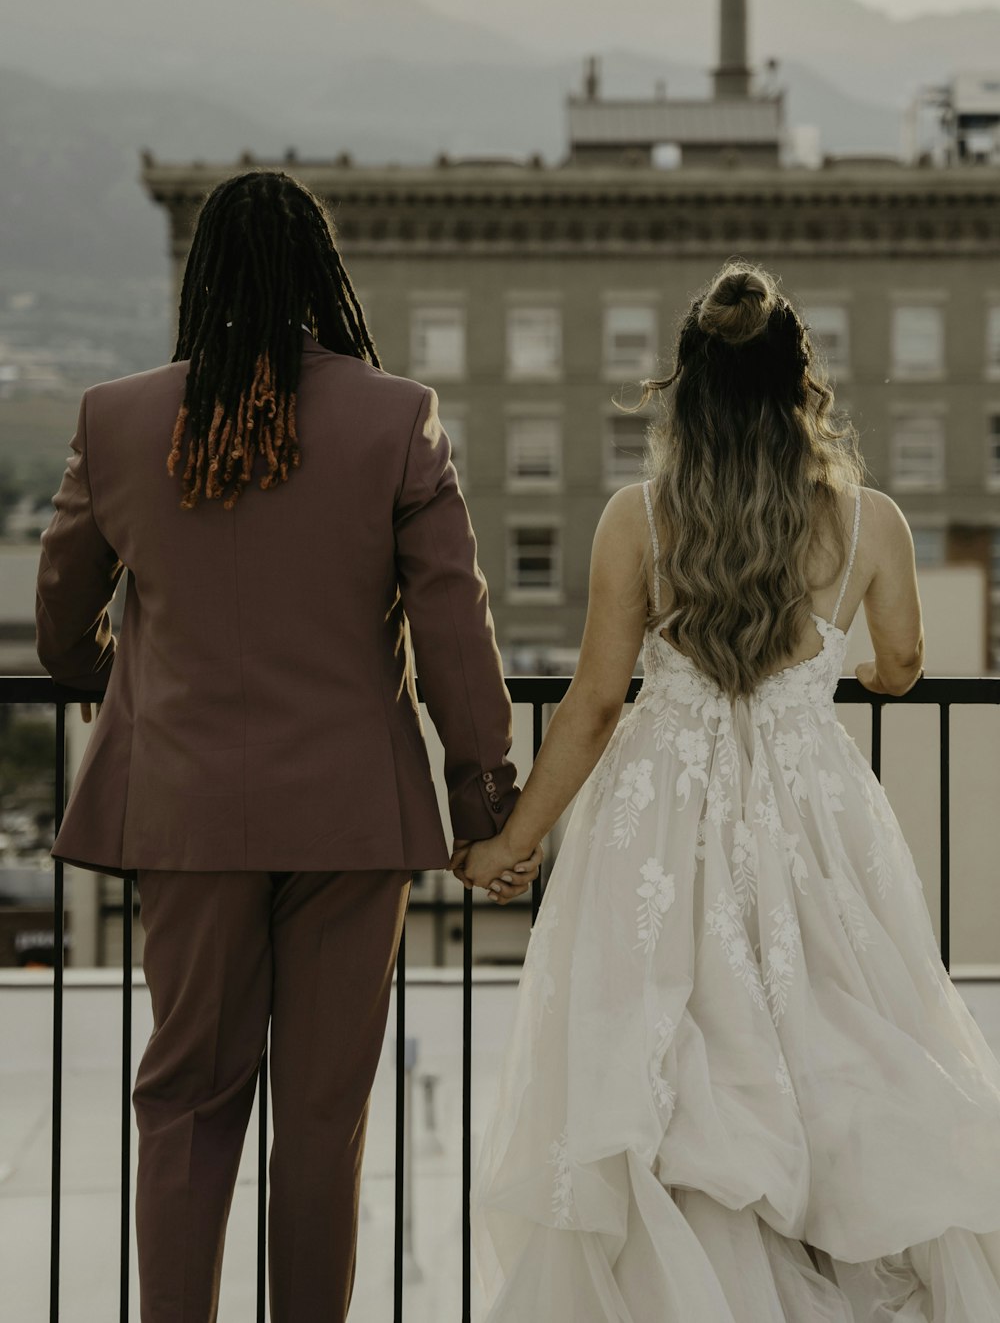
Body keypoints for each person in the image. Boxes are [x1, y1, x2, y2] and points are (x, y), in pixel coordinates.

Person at [34, 169, 542, 1323]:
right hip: (353, 821)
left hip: (184, 812)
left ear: (201, 271)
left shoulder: (118, 420)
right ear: (323, 273)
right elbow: (456, 624)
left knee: (186, 1104)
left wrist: (120, 680)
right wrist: (484, 796)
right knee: (321, 1120)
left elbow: (62, 617)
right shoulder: (394, 415)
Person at [453, 262, 1000, 1321]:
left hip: (665, 813)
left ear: (686, 390)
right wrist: (853, 674)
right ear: (804, 389)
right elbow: (899, 662)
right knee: (836, 1042)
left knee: (674, 1058)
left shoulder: (637, 521)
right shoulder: (871, 523)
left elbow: (595, 705)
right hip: (812, 813)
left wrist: (512, 841)